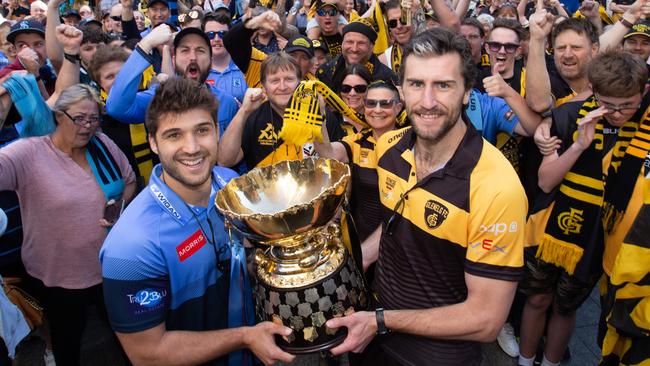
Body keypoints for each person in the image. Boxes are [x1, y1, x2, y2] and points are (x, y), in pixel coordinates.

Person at [325, 27, 527, 366]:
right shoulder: (389, 147)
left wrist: (382, 321)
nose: (428, 102)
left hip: (436, 356)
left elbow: (486, 320)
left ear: (466, 93)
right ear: (402, 90)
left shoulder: (496, 187)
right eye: (417, 84)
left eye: (443, 85)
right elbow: (395, 224)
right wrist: (351, 264)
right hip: (371, 338)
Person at [100, 77, 296, 366]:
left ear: (217, 131)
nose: (192, 148)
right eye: (174, 135)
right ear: (153, 142)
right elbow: (147, 354)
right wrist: (244, 337)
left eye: (202, 130)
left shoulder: (230, 185)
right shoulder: (131, 244)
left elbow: (243, 260)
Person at [519, 50, 649, 366]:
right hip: (550, 227)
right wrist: (579, 144)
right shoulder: (568, 116)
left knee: (566, 306)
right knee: (537, 299)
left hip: (597, 236)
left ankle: (550, 362)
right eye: (609, 105)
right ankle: (524, 360)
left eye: (627, 105)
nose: (618, 114)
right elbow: (546, 182)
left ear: (643, 93)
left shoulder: (642, 127)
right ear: (593, 89)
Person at [0, 80, 136, 364]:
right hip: (58, 276)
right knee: (68, 341)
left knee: (125, 334)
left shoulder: (101, 144)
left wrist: (119, 208)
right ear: (58, 116)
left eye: (93, 118)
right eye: (79, 118)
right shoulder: (29, 153)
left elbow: (129, 179)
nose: (87, 126)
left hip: (109, 266)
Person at [106, 25, 239, 137]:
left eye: (200, 50)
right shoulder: (160, 97)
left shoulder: (227, 103)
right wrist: (146, 44)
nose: (193, 57)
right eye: (185, 50)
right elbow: (117, 107)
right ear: (174, 60)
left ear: (210, 60)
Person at [218, 52, 344, 169]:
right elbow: (225, 161)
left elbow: (337, 166)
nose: (282, 87)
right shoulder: (253, 117)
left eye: (289, 79)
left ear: (300, 82)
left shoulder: (320, 114)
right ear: (263, 85)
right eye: (275, 81)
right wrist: (244, 111)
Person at [317, 18, 397, 93]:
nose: (354, 49)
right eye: (350, 42)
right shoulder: (325, 72)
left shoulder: (387, 80)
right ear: (342, 44)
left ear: (371, 47)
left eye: (361, 43)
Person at [203, 12, 247, 103]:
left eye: (222, 34)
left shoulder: (245, 66)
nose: (216, 39)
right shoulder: (197, 70)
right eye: (210, 34)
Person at [337, 63, 371, 134]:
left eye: (360, 88)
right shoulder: (330, 120)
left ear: (370, 89)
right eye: (346, 88)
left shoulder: (378, 118)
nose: (352, 93)